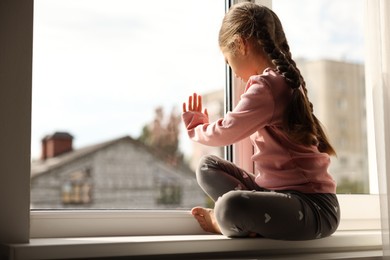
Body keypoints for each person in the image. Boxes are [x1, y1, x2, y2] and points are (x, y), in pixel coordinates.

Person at [181, 2, 340, 240]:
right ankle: (249, 222)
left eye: (228, 61)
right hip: (278, 196)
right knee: (207, 167)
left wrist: (196, 128)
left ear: (241, 44)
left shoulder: (268, 85)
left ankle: (228, 220)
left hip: (314, 208)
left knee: (229, 206)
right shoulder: (281, 82)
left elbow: (228, 131)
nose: (233, 72)